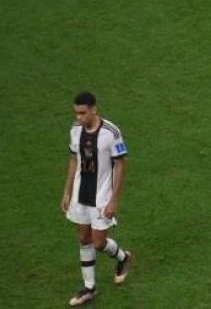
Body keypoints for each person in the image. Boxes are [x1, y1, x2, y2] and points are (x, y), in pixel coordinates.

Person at [61, 92, 132, 306]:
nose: (79, 118)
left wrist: (113, 200)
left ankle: (123, 258)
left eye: (82, 113)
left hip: (101, 196)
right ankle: (89, 287)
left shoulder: (111, 132)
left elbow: (120, 165)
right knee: (83, 238)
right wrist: (66, 191)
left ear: (94, 109)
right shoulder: (75, 131)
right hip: (80, 194)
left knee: (98, 241)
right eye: (76, 113)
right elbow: (74, 159)